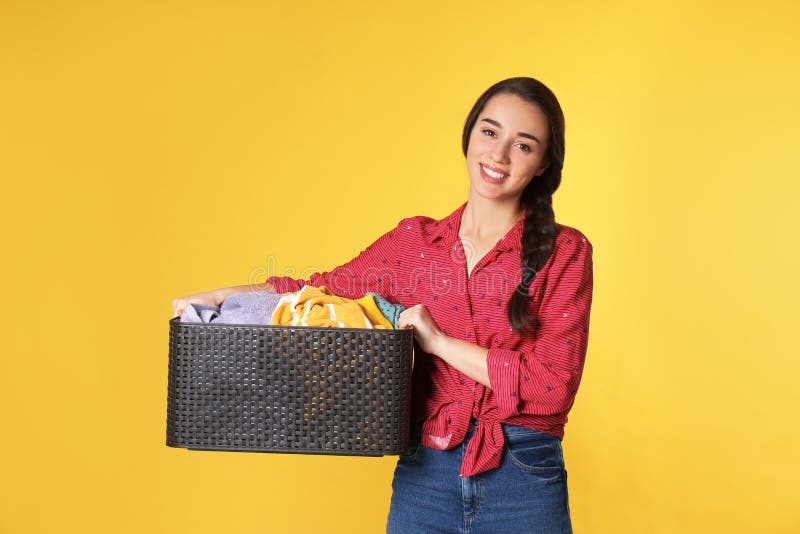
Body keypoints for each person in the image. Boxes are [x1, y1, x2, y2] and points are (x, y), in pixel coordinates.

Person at [171, 76, 593, 534]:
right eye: (490, 132)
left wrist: (439, 343)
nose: (499, 155)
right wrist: (215, 298)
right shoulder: (415, 243)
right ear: (470, 134)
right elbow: (320, 290)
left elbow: (553, 386)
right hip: (426, 473)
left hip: (523, 474)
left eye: (524, 145)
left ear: (543, 162)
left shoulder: (565, 251)